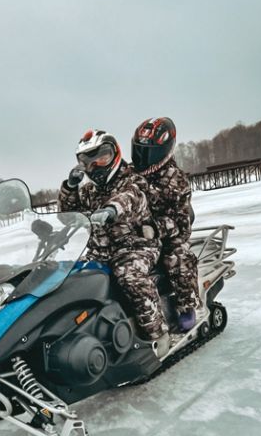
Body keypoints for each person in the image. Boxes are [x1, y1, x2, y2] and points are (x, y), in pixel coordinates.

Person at [59, 129, 170, 356]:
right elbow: (67, 213)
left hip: (136, 245)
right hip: (100, 250)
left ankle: (157, 334)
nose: (96, 165)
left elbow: (131, 198)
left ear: (115, 154)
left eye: (102, 157)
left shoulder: (132, 179)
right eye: (87, 161)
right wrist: (70, 187)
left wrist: (112, 209)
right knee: (71, 280)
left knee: (128, 275)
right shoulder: (89, 190)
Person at [131, 118, 201, 331]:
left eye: (147, 151)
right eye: (139, 149)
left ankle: (187, 305)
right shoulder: (132, 173)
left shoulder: (175, 179)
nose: (142, 155)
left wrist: (155, 228)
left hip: (171, 234)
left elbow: (181, 221)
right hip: (138, 234)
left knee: (176, 258)